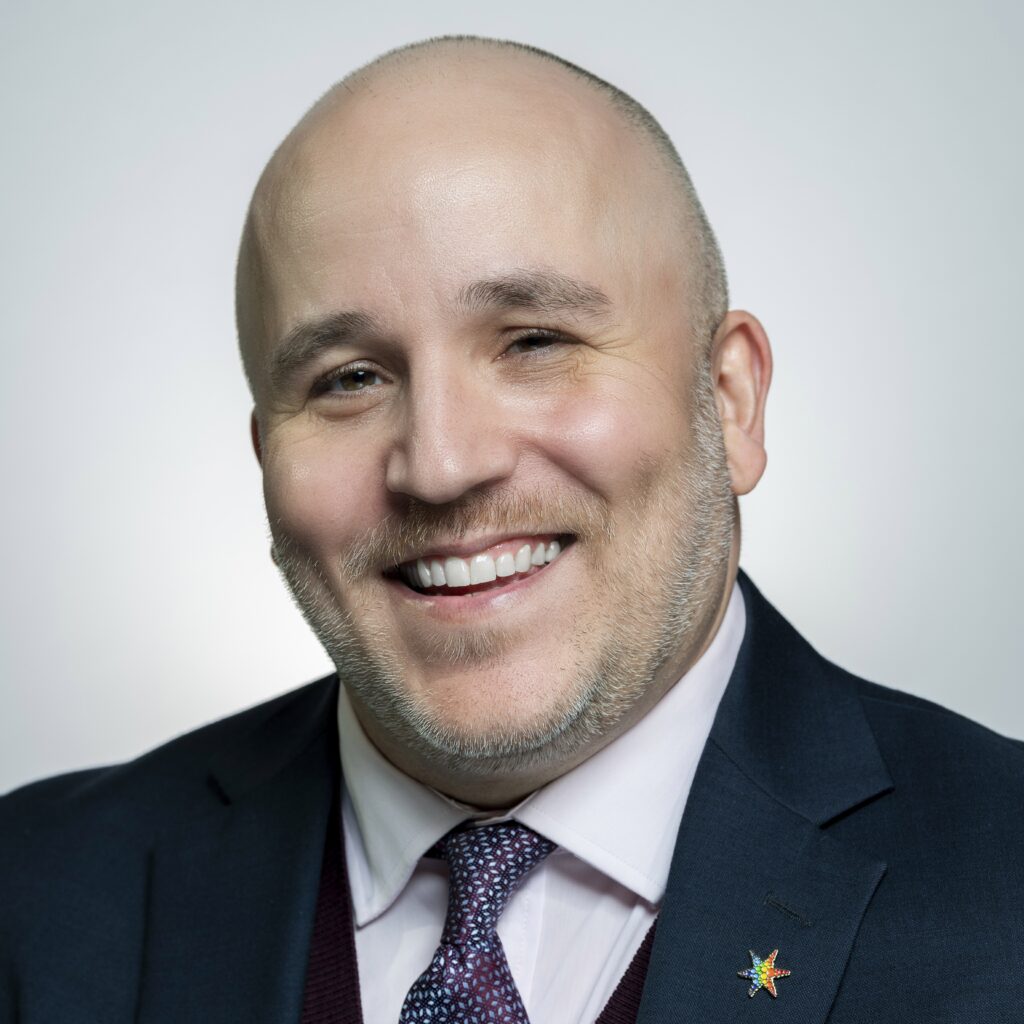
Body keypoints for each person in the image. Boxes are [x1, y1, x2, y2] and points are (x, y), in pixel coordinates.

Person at [2, 35, 1022, 1024]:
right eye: (349, 378)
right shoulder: (34, 903)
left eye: (535, 340)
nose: (441, 464)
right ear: (267, 453)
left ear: (729, 401)